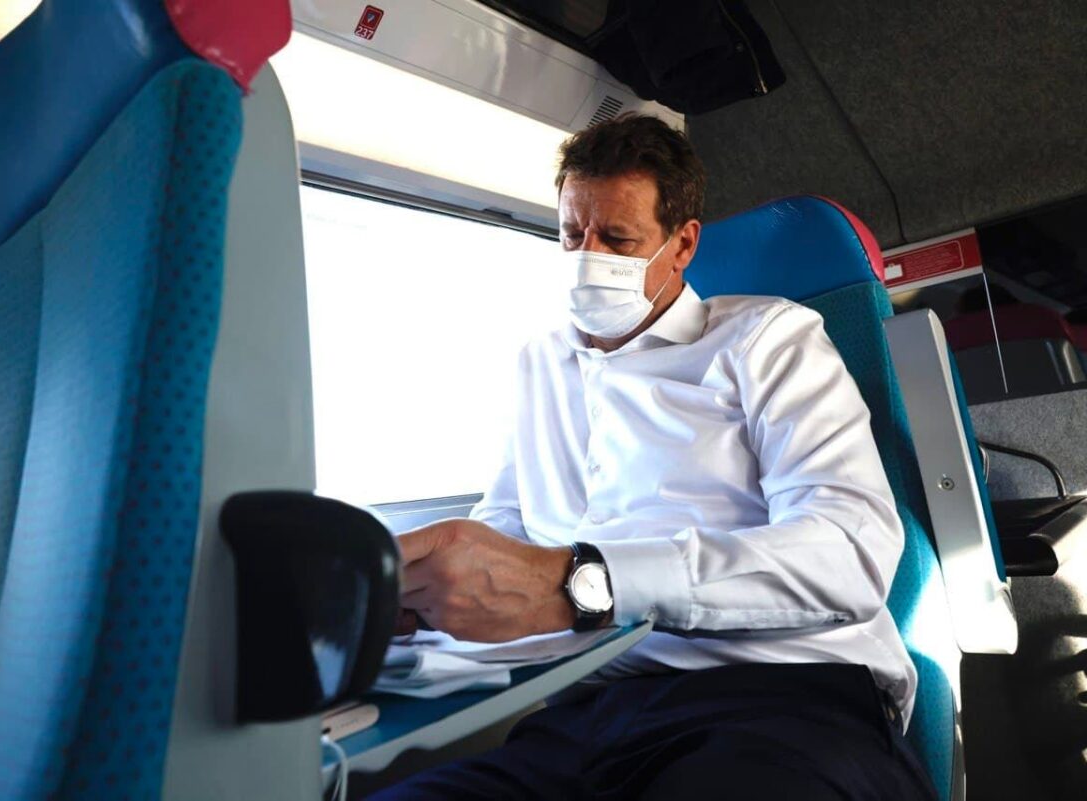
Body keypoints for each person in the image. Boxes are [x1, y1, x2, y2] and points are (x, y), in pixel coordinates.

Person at [373, 114, 938, 800]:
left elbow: (849, 551)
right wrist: (420, 603)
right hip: (585, 713)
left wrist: (588, 583)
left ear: (683, 244)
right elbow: (510, 528)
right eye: (572, 235)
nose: (588, 257)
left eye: (617, 239)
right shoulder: (540, 363)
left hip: (778, 700)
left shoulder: (767, 339)